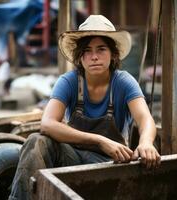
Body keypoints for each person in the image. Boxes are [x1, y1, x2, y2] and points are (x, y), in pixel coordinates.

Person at [9, 15, 161, 200]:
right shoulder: (69, 81)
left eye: (101, 49)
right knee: (35, 141)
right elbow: (47, 124)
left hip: (112, 164)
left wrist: (145, 142)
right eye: (87, 51)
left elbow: (145, 119)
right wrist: (99, 140)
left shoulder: (123, 82)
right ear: (80, 57)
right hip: (72, 158)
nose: (94, 56)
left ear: (113, 54)